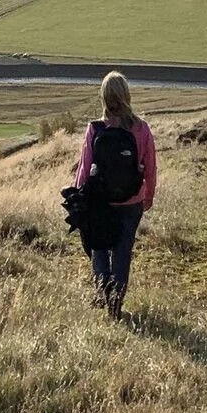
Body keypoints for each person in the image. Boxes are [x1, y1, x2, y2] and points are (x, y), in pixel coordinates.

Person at [74, 70, 156, 319]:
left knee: (99, 247)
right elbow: (150, 166)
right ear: (127, 95)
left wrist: (79, 197)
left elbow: (84, 166)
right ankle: (115, 306)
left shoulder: (95, 129)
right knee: (122, 252)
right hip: (132, 202)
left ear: (104, 97)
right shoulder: (141, 129)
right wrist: (148, 196)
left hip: (101, 201)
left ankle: (102, 292)